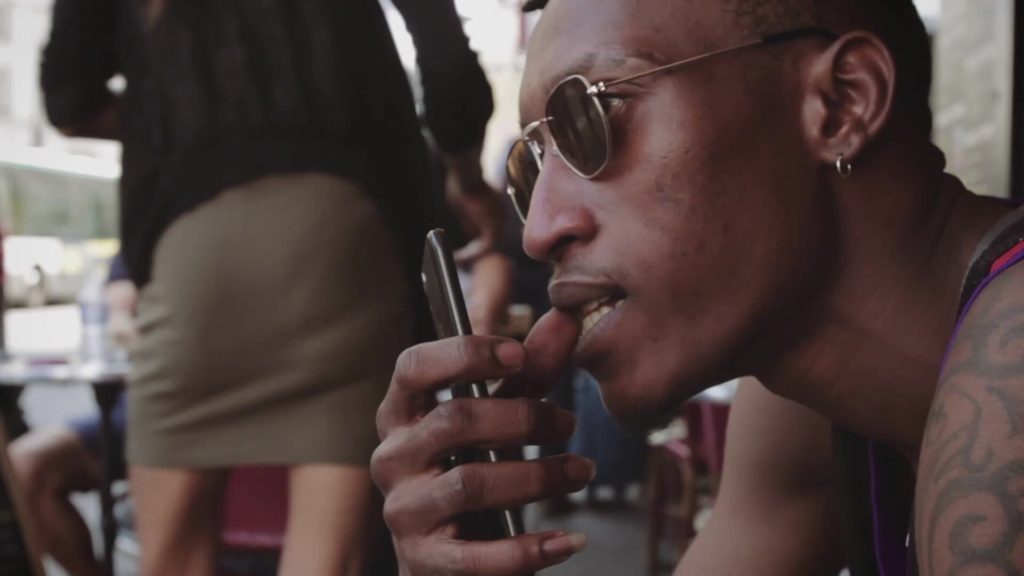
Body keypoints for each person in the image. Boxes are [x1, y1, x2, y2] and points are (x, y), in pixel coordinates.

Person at [370, 0, 1024, 575]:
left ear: (841, 102)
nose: (540, 230)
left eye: (594, 115)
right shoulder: (807, 405)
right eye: (530, 167)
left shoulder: (1012, 366)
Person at [41, 1, 497, 574]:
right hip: (346, 235)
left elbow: (69, 99)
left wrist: (184, 112)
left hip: (191, 246)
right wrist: (467, 181)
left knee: (171, 560)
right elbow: (448, 62)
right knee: (327, 561)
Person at [8, 255, 134, 576]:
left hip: (178, 413)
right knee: (23, 465)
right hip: (130, 411)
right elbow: (119, 305)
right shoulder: (133, 252)